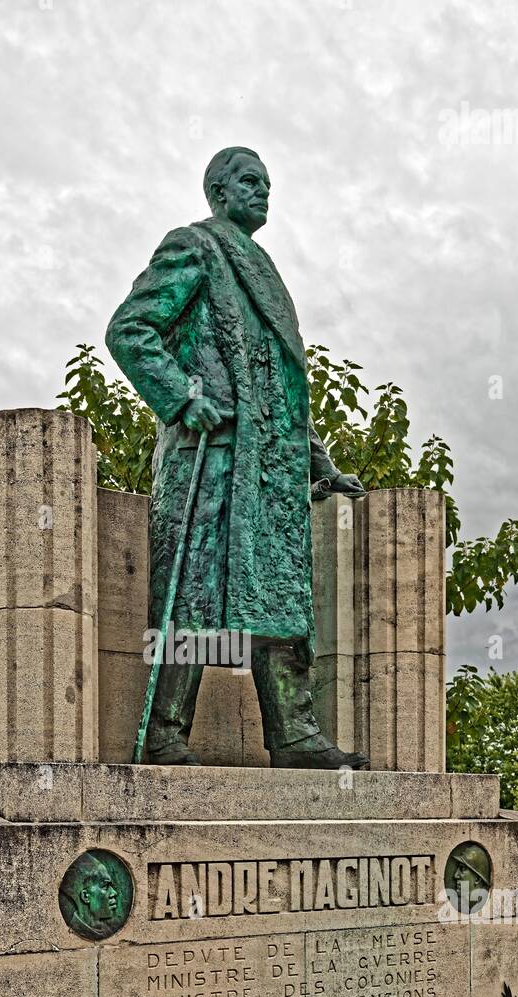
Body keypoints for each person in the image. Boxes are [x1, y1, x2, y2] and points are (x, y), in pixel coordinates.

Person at [107, 146, 368, 769]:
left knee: (279, 600)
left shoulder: (264, 270)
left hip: (271, 470)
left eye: (268, 183)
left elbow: (279, 389)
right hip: (213, 454)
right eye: (250, 181)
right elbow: (130, 330)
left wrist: (319, 464)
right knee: (195, 598)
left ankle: (294, 734)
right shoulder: (195, 246)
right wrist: (180, 396)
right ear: (218, 192)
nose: (263, 191)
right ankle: (165, 732)